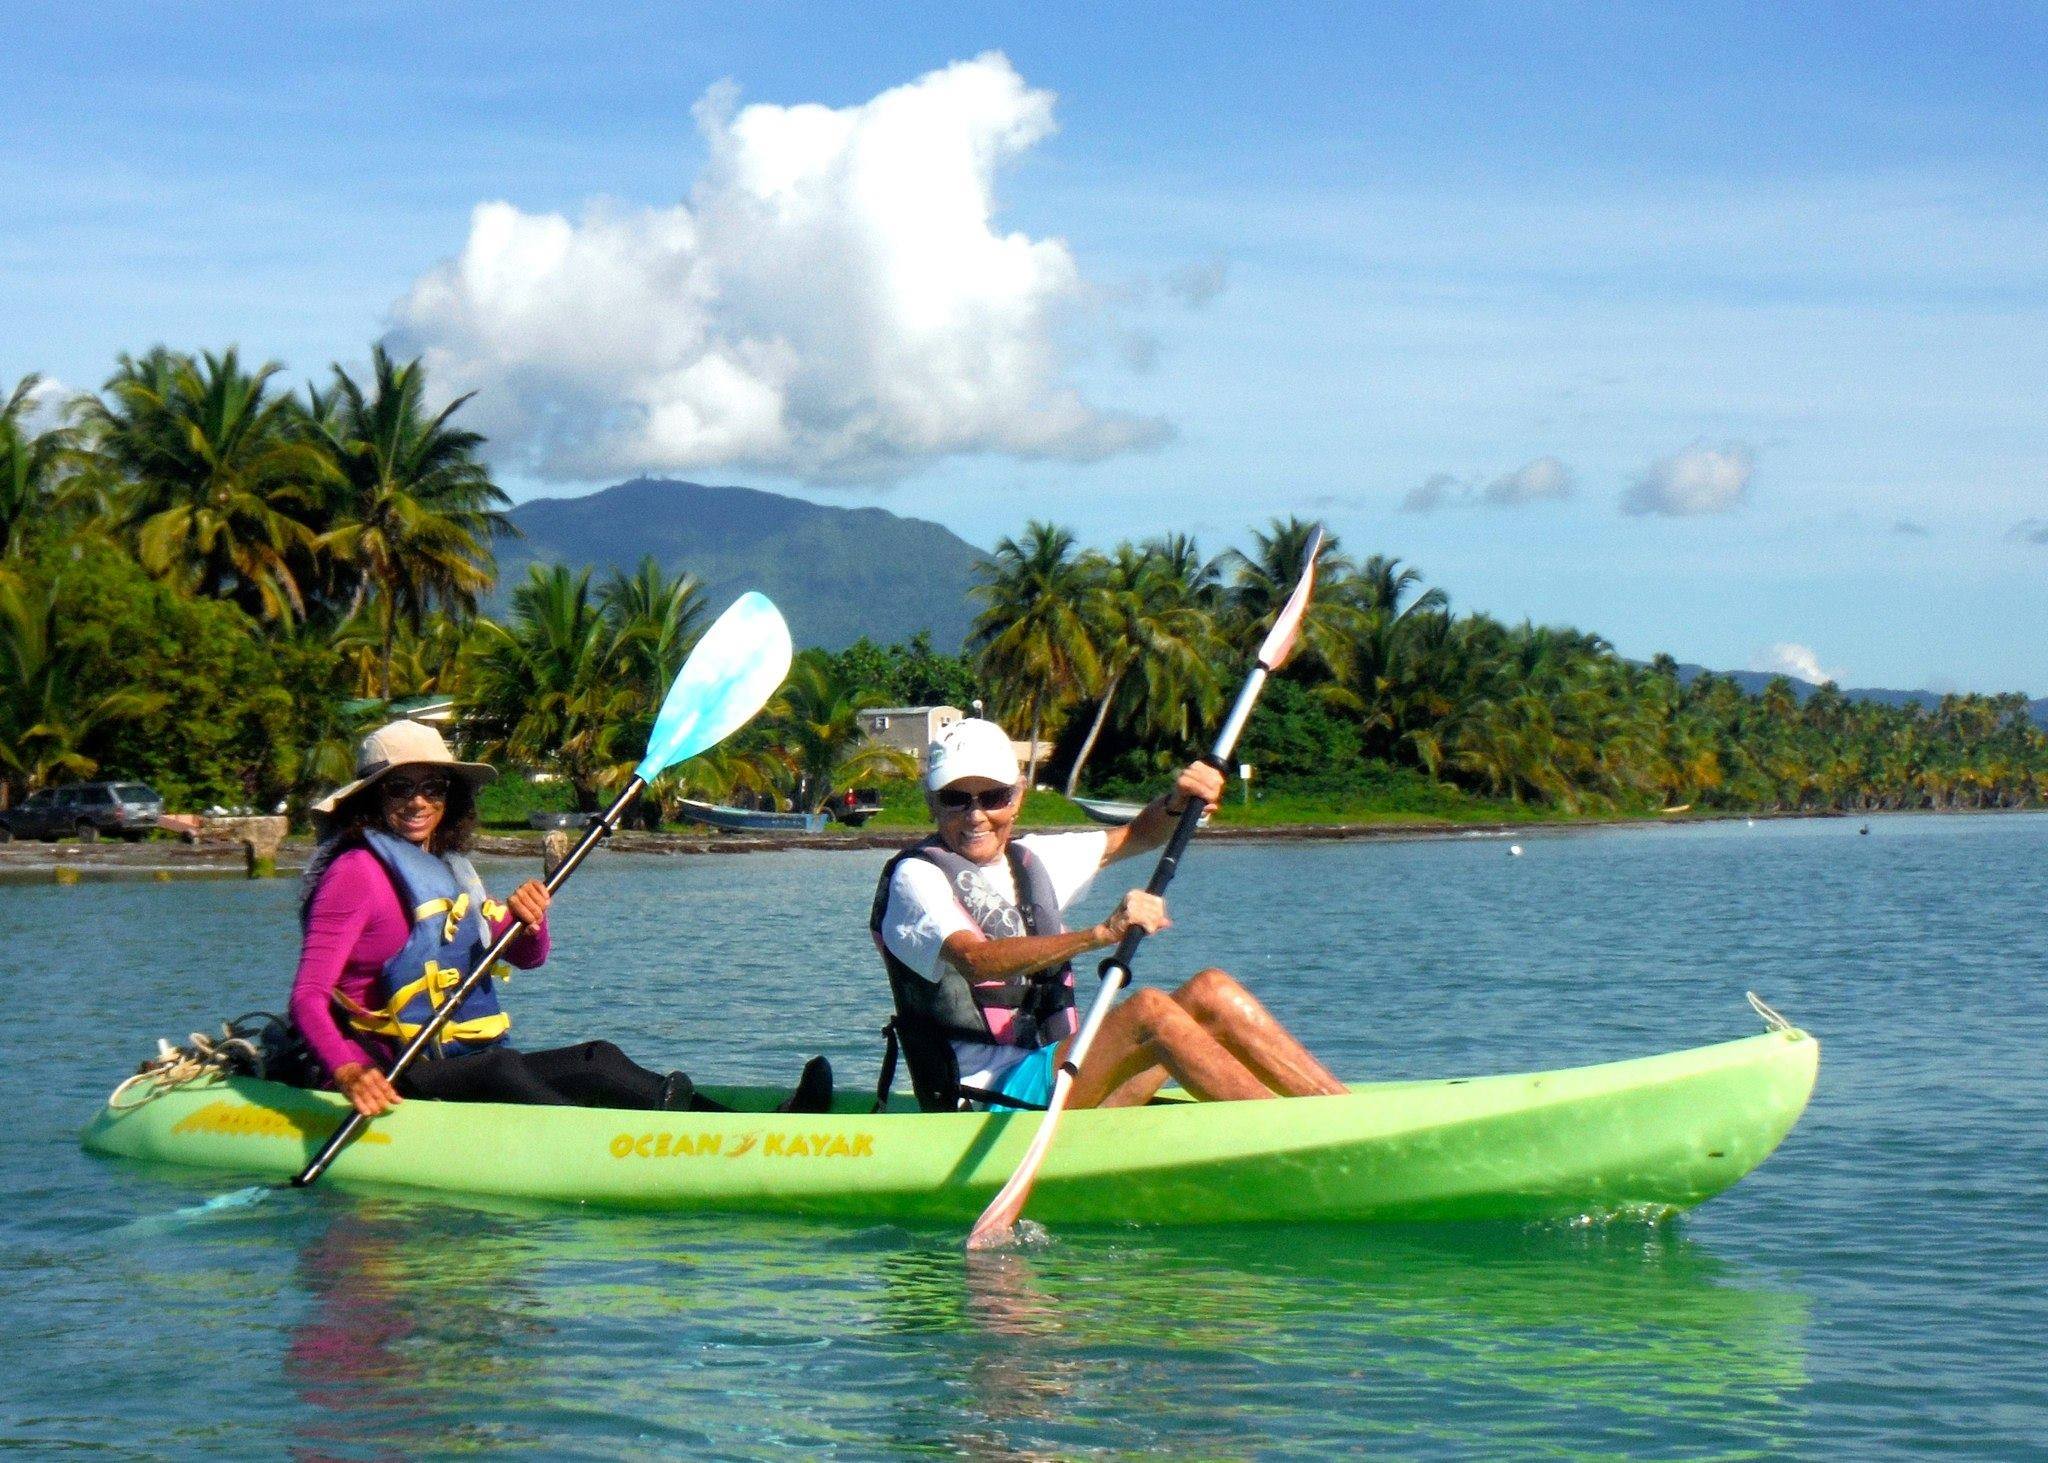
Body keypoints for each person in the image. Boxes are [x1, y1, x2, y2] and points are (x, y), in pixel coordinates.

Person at [292, 719, 832, 1118]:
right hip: (394, 1067)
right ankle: (596, 1145)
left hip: (451, 1055)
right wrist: (347, 1070)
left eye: (431, 787)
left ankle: (754, 1127)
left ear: (449, 796)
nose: (417, 802)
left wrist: (530, 921)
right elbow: (307, 997)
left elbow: (528, 958)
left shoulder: (447, 868)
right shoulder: (356, 872)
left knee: (598, 1059)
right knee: (505, 1070)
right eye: (399, 788)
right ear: (370, 798)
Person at [871, 718, 1347, 1112]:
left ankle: (1339, 1116)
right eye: (957, 798)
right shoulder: (916, 879)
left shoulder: (1033, 860)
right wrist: (1100, 933)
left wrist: (1176, 803)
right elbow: (976, 960)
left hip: (1061, 1075)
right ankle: (1287, 1142)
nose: (976, 815)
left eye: (992, 797)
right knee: (1148, 1013)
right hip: (981, 1099)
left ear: (1017, 797)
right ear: (932, 802)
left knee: (1212, 990)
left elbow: (1137, 835)